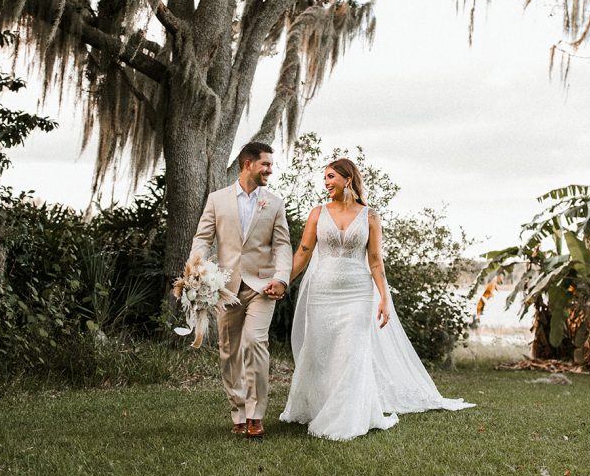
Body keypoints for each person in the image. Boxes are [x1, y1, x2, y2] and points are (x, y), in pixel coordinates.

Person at [280, 158, 474, 441]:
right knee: (321, 352)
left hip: (358, 294)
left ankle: (345, 416)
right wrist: (283, 280)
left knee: (352, 353)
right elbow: (303, 253)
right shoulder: (317, 213)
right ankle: (318, 406)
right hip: (322, 294)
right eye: (324, 178)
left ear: (348, 179)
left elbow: (375, 262)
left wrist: (384, 297)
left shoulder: (370, 216)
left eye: (331, 176)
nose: (326, 182)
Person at [190, 142, 292, 438]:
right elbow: (202, 238)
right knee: (229, 350)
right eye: (266, 165)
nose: (270, 170)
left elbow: (283, 245)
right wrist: (198, 271)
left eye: (271, 165)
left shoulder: (274, 203)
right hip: (225, 288)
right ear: (248, 164)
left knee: (254, 342)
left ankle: (255, 415)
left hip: (263, 287)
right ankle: (238, 412)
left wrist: (282, 278)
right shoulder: (217, 199)